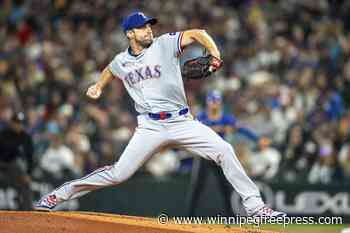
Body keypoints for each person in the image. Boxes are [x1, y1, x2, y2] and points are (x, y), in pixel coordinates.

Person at [35, 11, 285, 218]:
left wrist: (215, 54)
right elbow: (110, 69)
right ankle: (60, 194)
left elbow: (199, 33)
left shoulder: (165, 44)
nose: (148, 30)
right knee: (119, 173)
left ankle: (256, 207)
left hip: (182, 121)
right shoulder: (121, 60)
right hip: (149, 128)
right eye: (142, 28)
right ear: (129, 34)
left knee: (225, 150)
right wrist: (99, 86)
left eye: (149, 26)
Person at [187, 90, 268, 216]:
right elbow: (196, 130)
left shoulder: (225, 118)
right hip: (204, 156)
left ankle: (231, 216)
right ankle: (189, 216)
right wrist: (222, 128)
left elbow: (243, 129)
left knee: (225, 187)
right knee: (197, 187)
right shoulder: (202, 116)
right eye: (212, 102)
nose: (214, 104)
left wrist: (257, 139)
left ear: (220, 103)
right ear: (208, 103)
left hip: (220, 158)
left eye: (216, 101)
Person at [0, 112, 34, 210]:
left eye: (21, 123)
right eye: (17, 122)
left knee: (23, 176)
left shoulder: (26, 137)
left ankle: (28, 210)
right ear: (12, 123)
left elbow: (30, 158)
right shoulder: (3, 134)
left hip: (15, 168)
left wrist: (29, 174)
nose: (19, 125)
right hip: (2, 164)